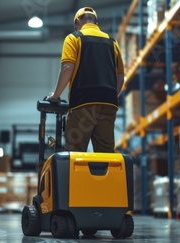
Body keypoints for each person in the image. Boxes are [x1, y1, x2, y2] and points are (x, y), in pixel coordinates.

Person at [47, 6, 125, 153]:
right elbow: (120, 76)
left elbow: (67, 68)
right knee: (106, 154)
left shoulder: (74, 38)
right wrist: (111, 97)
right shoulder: (112, 42)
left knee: (76, 152)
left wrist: (56, 96)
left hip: (83, 103)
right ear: (96, 22)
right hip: (109, 104)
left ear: (77, 22)